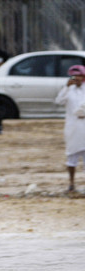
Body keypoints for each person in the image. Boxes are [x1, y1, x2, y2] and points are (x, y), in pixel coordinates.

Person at [54, 64, 85, 192]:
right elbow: (59, 101)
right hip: (72, 126)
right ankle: (71, 183)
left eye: (79, 76)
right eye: (74, 76)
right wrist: (66, 87)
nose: (76, 78)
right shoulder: (68, 90)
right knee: (71, 156)